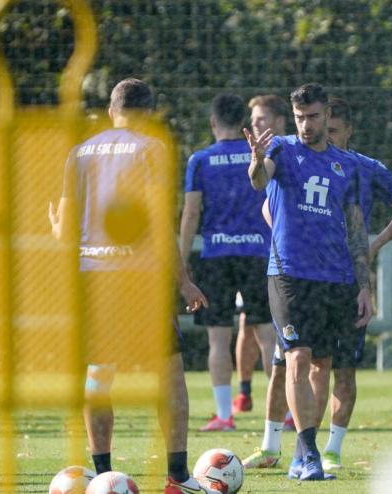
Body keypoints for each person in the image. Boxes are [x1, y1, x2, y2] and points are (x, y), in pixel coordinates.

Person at [48, 78, 218, 494]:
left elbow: (65, 233)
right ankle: (177, 476)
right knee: (169, 375)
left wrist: (56, 229)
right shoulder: (152, 149)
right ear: (150, 113)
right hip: (139, 279)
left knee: (98, 376)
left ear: (111, 110)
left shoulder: (80, 152)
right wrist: (184, 282)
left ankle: (101, 472)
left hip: (93, 277)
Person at [242, 97, 392, 473]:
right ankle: (308, 453)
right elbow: (260, 184)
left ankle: (303, 454)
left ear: (330, 119)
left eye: (314, 117)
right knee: (295, 358)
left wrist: (364, 280)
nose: (306, 125)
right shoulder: (282, 148)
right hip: (288, 274)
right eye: (300, 117)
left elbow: (357, 229)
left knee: (323, 364)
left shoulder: (353, 167)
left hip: (334, 280)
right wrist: (256, 161)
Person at [179, 93, 273, 432]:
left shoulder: (200, 160)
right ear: (243, 124)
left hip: (216, 256)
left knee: (218, 339)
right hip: (258, 255)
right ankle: (282, 415)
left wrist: (182, 258)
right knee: (267, 335)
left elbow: (191, 212)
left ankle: (224, 416)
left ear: (212, 122)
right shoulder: (259, 157)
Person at [232, 95, 290, 416]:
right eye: (252, 121)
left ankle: (279, 406)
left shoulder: (283, 152)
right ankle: (244, 393)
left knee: (267, 331)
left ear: (279, 121)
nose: (254, 126)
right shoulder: (254, 154)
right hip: (245, 254)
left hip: (270, 255)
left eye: (260, 121)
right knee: (248, 325)